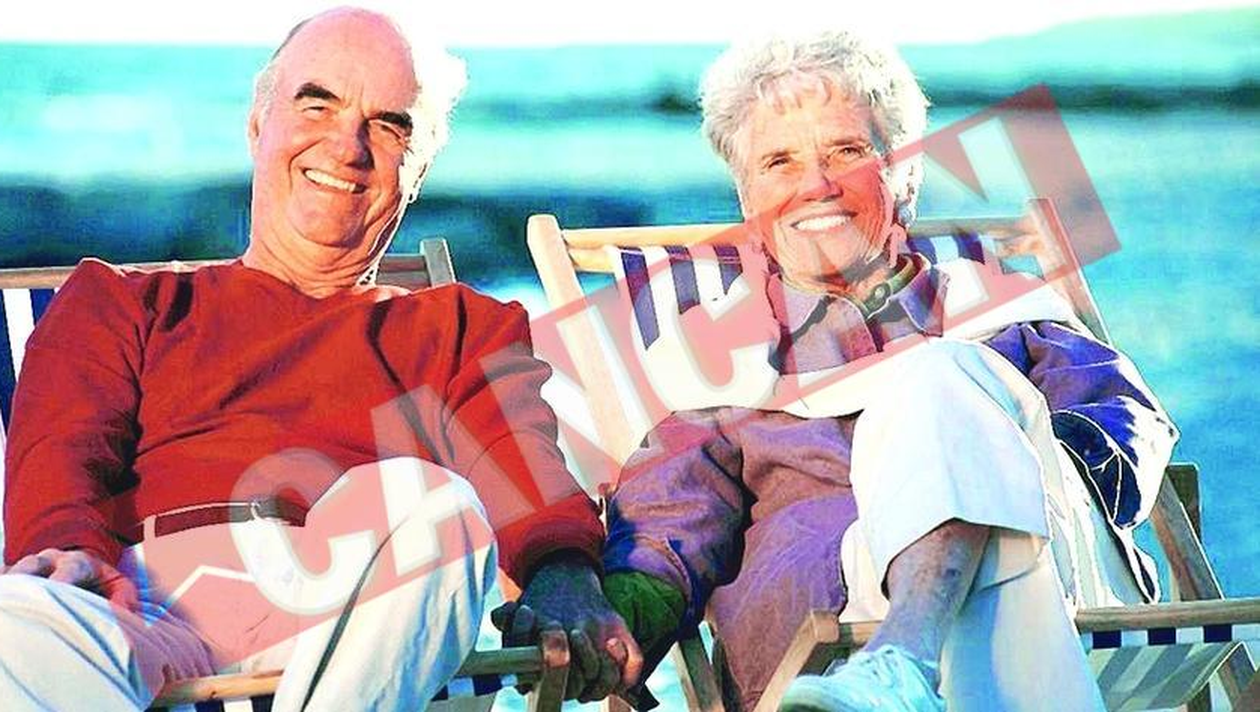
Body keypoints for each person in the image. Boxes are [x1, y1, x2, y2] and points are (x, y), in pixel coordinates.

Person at [0, 7, 639, 710]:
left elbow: (529, 483)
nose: (347, 146)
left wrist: (564, 575)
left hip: (354, 611)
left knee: (436, 508)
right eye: (317, 104)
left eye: (389, 126)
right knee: (13, 627)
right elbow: (60, 467)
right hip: (140, 605)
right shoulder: (116, 304)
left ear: (419, 168)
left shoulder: (461, 330)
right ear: (258, 123)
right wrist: (68, 555)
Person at [600, 29, 1177, 711]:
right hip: (831, 621)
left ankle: (900, 663)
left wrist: (991, 473)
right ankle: (902, 662)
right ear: (748, 201)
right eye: (779, 162)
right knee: (942, 384)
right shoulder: (718, 368)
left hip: (1055, 569)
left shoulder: (1004, 311)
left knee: (938, 376)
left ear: (906, 176)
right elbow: (668, 521)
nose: (815, 186)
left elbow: (1120, 430)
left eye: (847, 151)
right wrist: (610, 619)